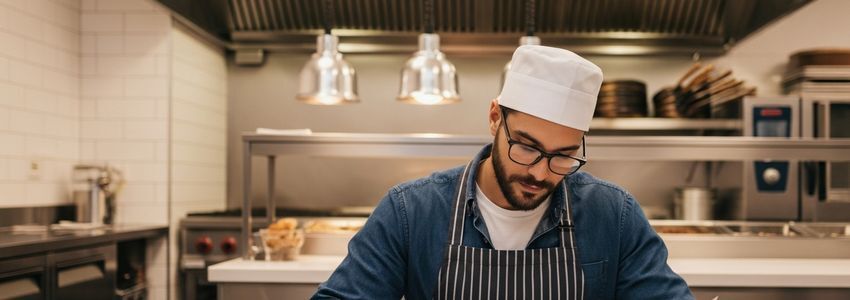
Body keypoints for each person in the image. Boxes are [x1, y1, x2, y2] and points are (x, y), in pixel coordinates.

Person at [312, 45, 693, 299]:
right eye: (526, 147)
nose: (541, 173)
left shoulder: (614, 214)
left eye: (563, 156)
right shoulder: (411, 212)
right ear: (495, 118)